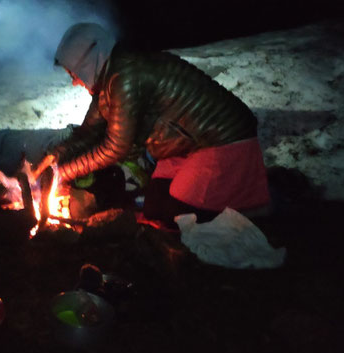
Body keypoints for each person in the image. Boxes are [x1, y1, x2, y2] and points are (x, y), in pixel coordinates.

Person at [48, 23, 270, 227]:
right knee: (155, 207)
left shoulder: (125, 76)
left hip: (223, 140)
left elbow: (115, 148)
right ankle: (233, 195)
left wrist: (63, 173)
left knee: (175, 215)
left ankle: (252, 205)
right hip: (188, 145)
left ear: (89, 61)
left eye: (74, 73)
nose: (75, 81)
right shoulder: (110, 77)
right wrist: (55, 157)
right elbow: (89, 131)